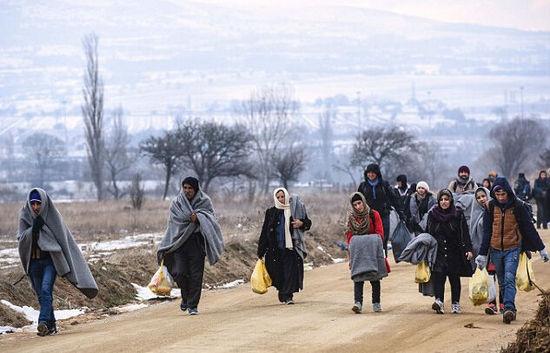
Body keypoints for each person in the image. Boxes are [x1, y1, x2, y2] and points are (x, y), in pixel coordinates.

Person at [17, 188, 98, 336]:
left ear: (44, 203)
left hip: (50, 261)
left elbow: (64, 240)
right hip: (33, 262)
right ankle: (51, 325)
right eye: (33, 203)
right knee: (41, 295)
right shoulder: (24, 216)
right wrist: (32, 231)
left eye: (38, 204)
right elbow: (21, 240)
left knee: (46, 290)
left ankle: (42, 322)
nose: (36, 207)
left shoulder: (53, 216)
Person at [475, 177, 549, 324]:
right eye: (498, 195)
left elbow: (529, 228)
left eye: (503, 194)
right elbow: (487, 233)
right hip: (495, 250)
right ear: (494, 194)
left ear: (508, 192)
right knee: (502, 280)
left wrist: (541, 249)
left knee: (509, 277)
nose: (501, 197)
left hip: (513, 248)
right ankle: (509, 307)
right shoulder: (490, 207)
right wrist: (482, 254)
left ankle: (509, 308)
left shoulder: (517, 206)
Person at [157, 177, 224, 316]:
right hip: (179, 243)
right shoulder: (177, 203)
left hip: (197, 243)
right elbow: (173, 223)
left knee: (196, 276)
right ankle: (185, 296)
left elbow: (211, 218)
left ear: (196, 189)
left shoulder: (204, 201)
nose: (187, 191)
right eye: (185, 188)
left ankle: (192, 305)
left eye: (190, 188)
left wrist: (199, 218)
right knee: (178, 272)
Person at [257, 187, 311, 305]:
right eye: (278, 197)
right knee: (278, 272)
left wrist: (301, 223)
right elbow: (265, 231)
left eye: (283, 196)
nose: (281, 199)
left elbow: (308, 223)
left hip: (291, 248)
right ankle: (282, 292)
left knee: (289, 272)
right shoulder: (271, 212)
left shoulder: (293, 210)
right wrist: (261, 250)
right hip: (274, 249)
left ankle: (288, 296)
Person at [426, 189, 474, 315]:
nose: (444, 202)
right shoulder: (432, 214)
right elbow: (428, 234)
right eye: (441, 199)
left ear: (451, 200)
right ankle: (439, 302)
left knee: (454, 278)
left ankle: (455, 303)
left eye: (446, 199)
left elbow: (464, 233)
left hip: (455, 250)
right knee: (439, 277)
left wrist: (468, 249)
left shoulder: (458, 214)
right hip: (438, 251)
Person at [345, 192, 388, 314]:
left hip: (372, 252)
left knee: (375, 278)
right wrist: (351, 250)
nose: (358, 206)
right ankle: (357, 303)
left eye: (359, 203)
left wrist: (365, 241)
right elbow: (349, 237)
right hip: (358, 252)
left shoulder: (374, 215)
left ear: (363, 202)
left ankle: (376, 303)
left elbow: (380, 233)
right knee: (358, 278)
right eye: (355, 205)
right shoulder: (352, 218)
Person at [469, 187, 503, 315]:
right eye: (478, 197)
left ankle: (504, 303)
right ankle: (492, 303)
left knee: (501, 276)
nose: (481, 199)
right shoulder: (475, 213)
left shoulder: (496, 210)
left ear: (488, 196)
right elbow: (473, 233)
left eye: (483, 196)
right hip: (483, 251)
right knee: (490, 277)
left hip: (497, 248)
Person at [358, 163, 403, 256]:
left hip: (383, 214)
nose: (370, 175)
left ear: (377, 173)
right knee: (371, 238)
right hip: (369, 216)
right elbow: (358, 201)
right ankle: (373, 259)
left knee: (383, 237)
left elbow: (393, 198)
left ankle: (383, 258)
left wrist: (401, 213)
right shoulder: (363, 186)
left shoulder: (384, 185)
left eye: (373, 172)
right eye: (368, 173)